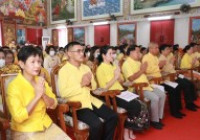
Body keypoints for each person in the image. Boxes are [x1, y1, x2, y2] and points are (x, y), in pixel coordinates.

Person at [6, 46, 71, 140]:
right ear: (22, 64)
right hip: (25, 130)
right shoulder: (14, 86)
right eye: (32, 62)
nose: (37, 66)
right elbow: (19, 117)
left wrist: (43, 94)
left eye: (39, 62)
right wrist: (37, 96)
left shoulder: (41, 81)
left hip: (46, 124)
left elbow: (53, 104)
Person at [58, 42, 118, 140]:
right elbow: (63, 93)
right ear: (69, 53)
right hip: (77, 105)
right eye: (78, 51)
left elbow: (94, 87)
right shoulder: (64, 71)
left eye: (82, 50)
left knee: (113, 117)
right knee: (97, 124)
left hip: (91, 100)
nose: (82, 53)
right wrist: (81, 84)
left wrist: (89, 84)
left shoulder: (86, 67)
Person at [96, 46, 149, 139]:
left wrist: (119, 75)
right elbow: (103, 88)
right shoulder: (100, 68)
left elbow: (121, 81)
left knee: (140, 103)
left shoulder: (113, 65)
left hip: (121, 91)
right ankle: (126, 130)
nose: (113, 55)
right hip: (111, 94)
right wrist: (115, 76)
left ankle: (129, 129)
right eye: (110, 53)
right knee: (134, 105)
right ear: (104, 55)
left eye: (113, 53)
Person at [122, 46, 166, 130]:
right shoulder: (126, 63)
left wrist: (145, 71)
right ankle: (154, 120)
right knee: (155, 98)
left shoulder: (138, 62)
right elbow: (131, 78)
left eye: (139, 52)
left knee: (162, 94)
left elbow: (143, 73)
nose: (139, 54)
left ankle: (159, 117)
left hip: (147, 85)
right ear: (131, 52)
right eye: (137, 52)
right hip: (138, 88)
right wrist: (142, 70)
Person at [142, 42, 184, 119]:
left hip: (160, 80)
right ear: (150, 49)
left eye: (158, 48)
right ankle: (174, 112)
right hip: (153, 82)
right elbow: (146, 70)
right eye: (156, 48)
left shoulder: (155, 57)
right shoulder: (146, 57)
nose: (158, 49)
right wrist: (159, 66)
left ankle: (177, 110)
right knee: (173, 89)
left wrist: (160, 68)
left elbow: (160, 69)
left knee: (177, 87)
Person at [159, 44, 198, 111]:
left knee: (190, 83)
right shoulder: (161, 59)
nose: (169, 50)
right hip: (170, 78)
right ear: (162, 51)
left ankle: (191, 103)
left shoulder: (168, 56)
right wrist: (171, 63)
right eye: (167, 49)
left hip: (175, 75)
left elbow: (172, 68)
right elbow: (164, 71)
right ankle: (187, 104)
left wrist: (176, 70)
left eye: (169, 49)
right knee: (186, 85)